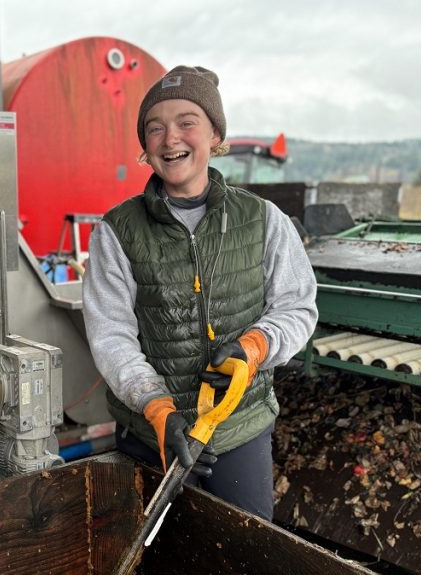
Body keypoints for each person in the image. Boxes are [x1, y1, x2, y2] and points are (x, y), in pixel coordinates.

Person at [82, 65, 318, 522]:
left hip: (238, 429)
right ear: (146, 148)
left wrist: (252, 348)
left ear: (214, 134)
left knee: (246, 555)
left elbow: (296, 306)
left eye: (187, 122)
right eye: (156, 128)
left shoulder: (263, 218)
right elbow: (111, 335)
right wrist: (156, 407)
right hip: (153, 434)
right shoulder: (117, 231)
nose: (171, 139)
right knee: (161, 564)